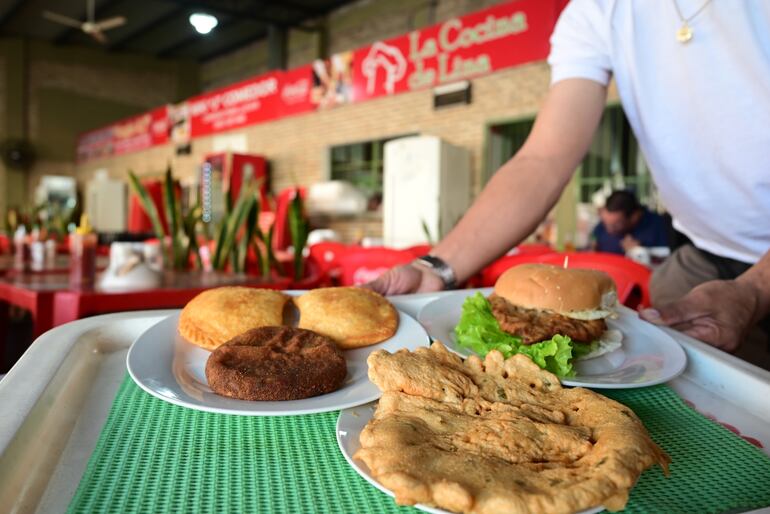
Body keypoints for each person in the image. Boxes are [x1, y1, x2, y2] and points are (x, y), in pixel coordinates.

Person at [366, 0, 770, 369]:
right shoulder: (596, 10)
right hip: (702, 257)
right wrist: (435, 267)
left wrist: (755, 289)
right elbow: (543, 160)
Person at [591, 190, 669, 255]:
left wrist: (642, 251)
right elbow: (594, 241)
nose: (608, 230)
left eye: (616, 225)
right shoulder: (603, 226)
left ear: (634, 217)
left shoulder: (659, 226)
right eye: (605, 223)